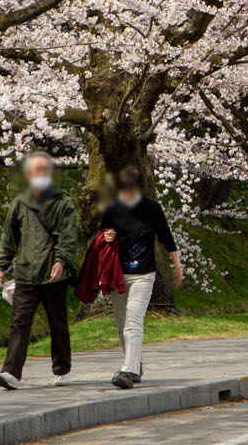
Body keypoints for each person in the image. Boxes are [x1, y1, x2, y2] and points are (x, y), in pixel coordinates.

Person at [0, 151, 79, 390]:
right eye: (36, 170)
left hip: (53, 276)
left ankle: (62, 369)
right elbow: (9, 236)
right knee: (19, 323)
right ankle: (10, 372)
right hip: (26, 273)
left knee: (57, 323)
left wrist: (60, 261)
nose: (40, 174)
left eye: (44, 170)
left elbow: (69, 237)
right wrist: (2, 264)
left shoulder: (63, 203)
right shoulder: (19, 203)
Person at [97, 166, 181, 389]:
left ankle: (128, 370)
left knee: (133, 320)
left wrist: (177, 266)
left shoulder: (152, 209)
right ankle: (135, 363)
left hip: (143, 274)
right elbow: (101, 237)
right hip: (117, 274)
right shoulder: (112, 208)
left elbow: (166, 238)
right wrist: (107, 235)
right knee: (121, 322)